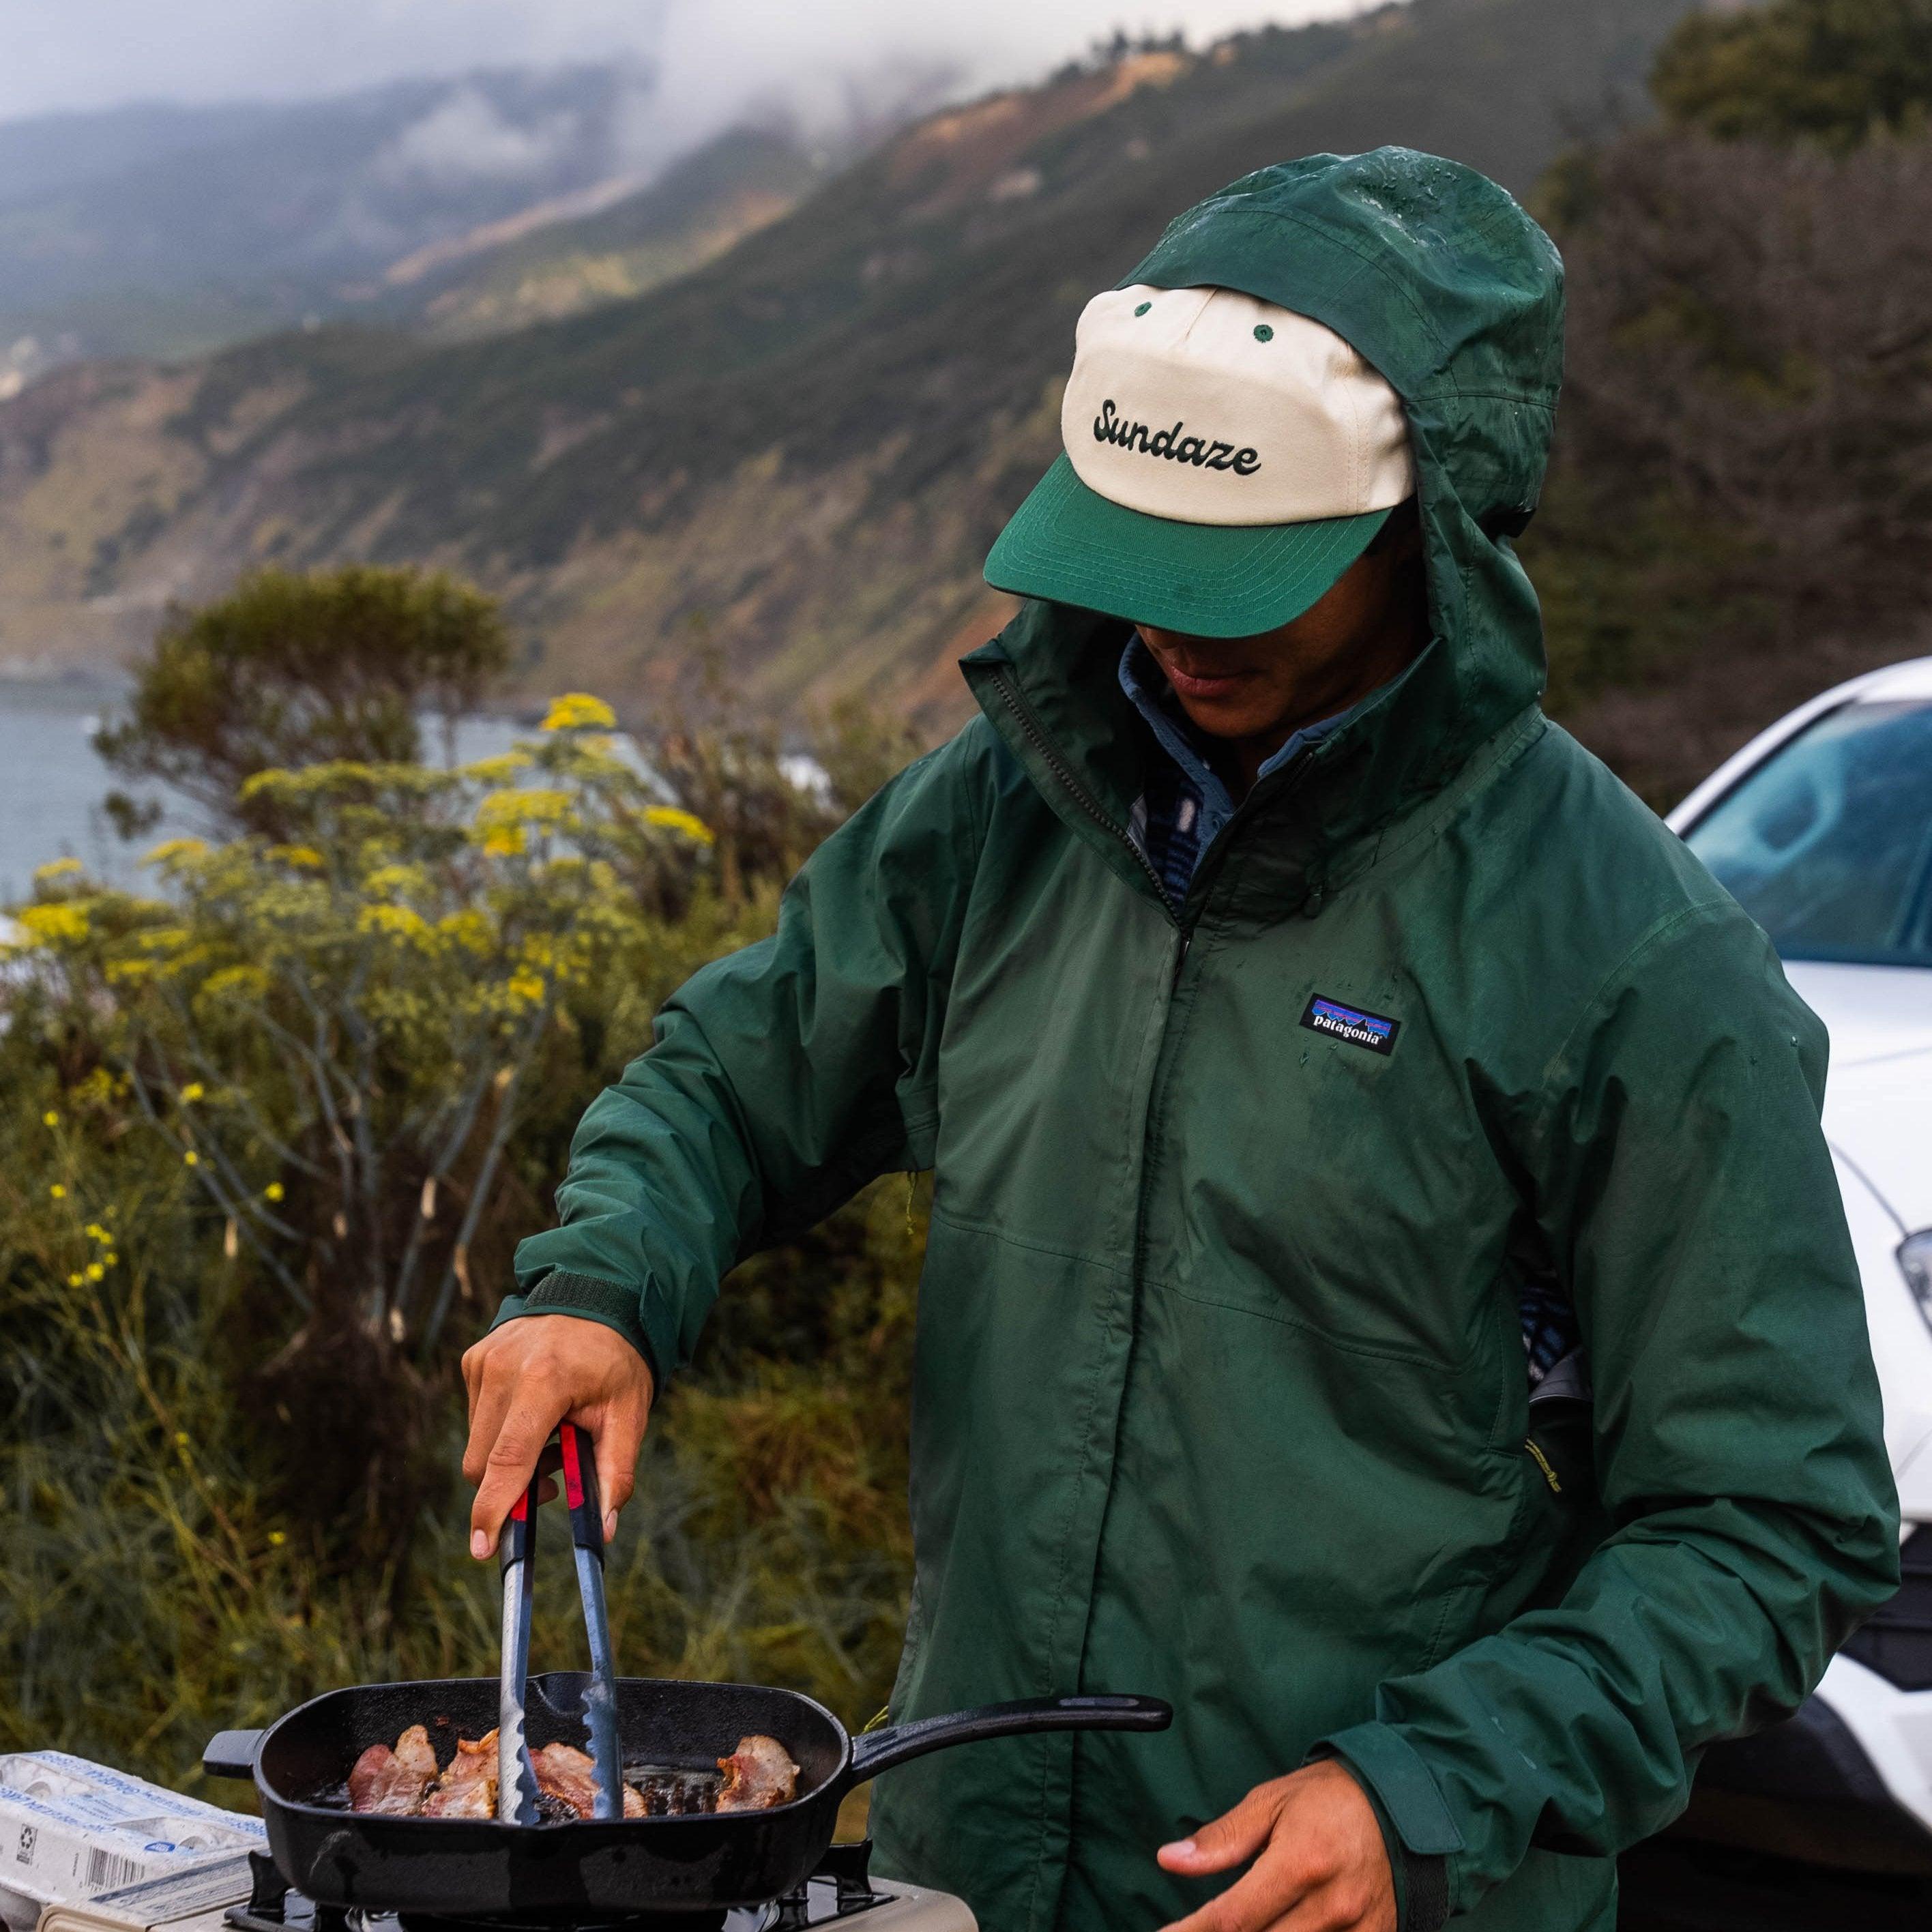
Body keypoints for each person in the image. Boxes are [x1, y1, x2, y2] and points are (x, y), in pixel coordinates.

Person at [460, 149, 1899, 1932]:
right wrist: (599, 1286)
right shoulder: (1004, 816)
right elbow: (729, 1085)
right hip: (973, 1872)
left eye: (1244, 569)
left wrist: (1430, 1790)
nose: (1170, 619)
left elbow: (1769, 1526)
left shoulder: (1628, 959)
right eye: (1137, 550)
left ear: (1429, 526)